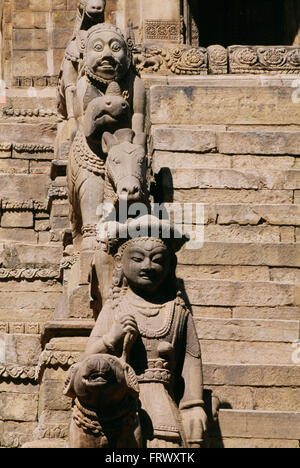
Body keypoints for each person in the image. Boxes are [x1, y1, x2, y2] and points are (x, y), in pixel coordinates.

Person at [83, 215, 207, 448]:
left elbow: (191, 360)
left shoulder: (178, 311)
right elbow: (87, 361)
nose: (148, 267)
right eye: (138, 259)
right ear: (119, 262)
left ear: (170, 265)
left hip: (163, 408)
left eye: (157, 260)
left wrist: (193, 406)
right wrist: (112, 339)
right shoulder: (115, 306)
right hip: (121, 405)